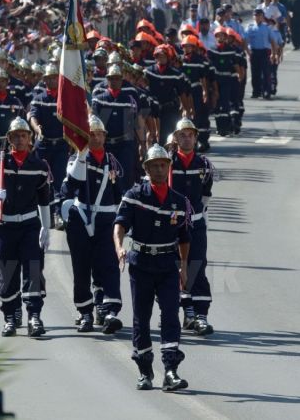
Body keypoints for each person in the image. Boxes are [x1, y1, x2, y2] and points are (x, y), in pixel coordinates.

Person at [113, 144, 191, 392]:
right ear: (146, 168)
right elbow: (120, 225)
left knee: (171, 315)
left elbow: (185, 238)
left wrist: (184, 267)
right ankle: (145, 370)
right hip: (141, 263)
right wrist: (119, 248)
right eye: (154, 165)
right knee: (141, 318)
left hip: (168, 264)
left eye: (163, 165)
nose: (159, 169)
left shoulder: (179, 202)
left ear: (169, 167)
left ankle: (170, 370)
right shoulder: (134, 196)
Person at [0, 117, 52, 338]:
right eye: (15, 136)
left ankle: (34, 315)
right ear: (9, 139)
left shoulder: (40, 166)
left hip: (30, 225)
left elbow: (45, 199)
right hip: (6, 225)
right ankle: (10, 315)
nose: (20, 139)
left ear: (30, 138)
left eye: (23, 135)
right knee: (8, 271)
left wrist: (46, 227)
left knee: (33, 270)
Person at [60, 115, 124, 334]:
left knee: (108, 265)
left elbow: (119, 196)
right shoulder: (76, 158)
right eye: (92, 133)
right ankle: (85, 312)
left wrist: (123, 224)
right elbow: (70, 186)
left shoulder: (112, 161)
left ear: (105, 136)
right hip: (81, 220)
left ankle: (109, 311)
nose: (96, 137)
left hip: (106, 220)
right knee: (81, 268)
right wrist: (81, 154)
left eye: (100, 133)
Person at [169, 118, 215, 335]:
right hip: (171, 226)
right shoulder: (167, 162)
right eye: (183, 135)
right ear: (176, 138)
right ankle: (185, 312)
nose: (187, 139)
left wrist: (200, 216)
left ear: (196, 138)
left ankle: (200, 314)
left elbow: (206, 194)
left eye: (190, 135)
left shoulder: (204, 165)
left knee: (197, 265)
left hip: (195, 224)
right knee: (175, 267)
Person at [29, 64, 69, 229]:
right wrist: (37, 128)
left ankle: (59, 214)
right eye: (49, 77)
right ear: (44, 80)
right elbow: (32, 116)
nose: (52, 80)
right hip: (44, 145)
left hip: (61, 145)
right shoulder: (38, 98)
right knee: (43, 181)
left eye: (54, 77)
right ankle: (45, 215)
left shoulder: (65, 98)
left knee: (59, 181)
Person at [91, 63, 142, 191]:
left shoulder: (129, 99)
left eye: (117, 78)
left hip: (124, 143)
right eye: (111, 78)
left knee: (126, 175)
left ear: (121, 80)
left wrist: (142, 143)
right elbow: (94, 123)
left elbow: (136, 123)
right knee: (105, 175)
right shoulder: (99, 100)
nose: (114, 81)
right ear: (107, 80)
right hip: (105, 144)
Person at [246, 8, 278, 100]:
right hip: (254, 52)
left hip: (264, 52)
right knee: (255, 73)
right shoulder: (250, 27)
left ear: (262, 17)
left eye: (259, 15)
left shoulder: (267, 28)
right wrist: (248, 52)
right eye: (256, 15)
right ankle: (256, 91)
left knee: (266, 73)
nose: (257, 17)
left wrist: (273, 54)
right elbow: (245, 41)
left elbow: (272, 41)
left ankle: (266, 91)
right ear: (253, 17)